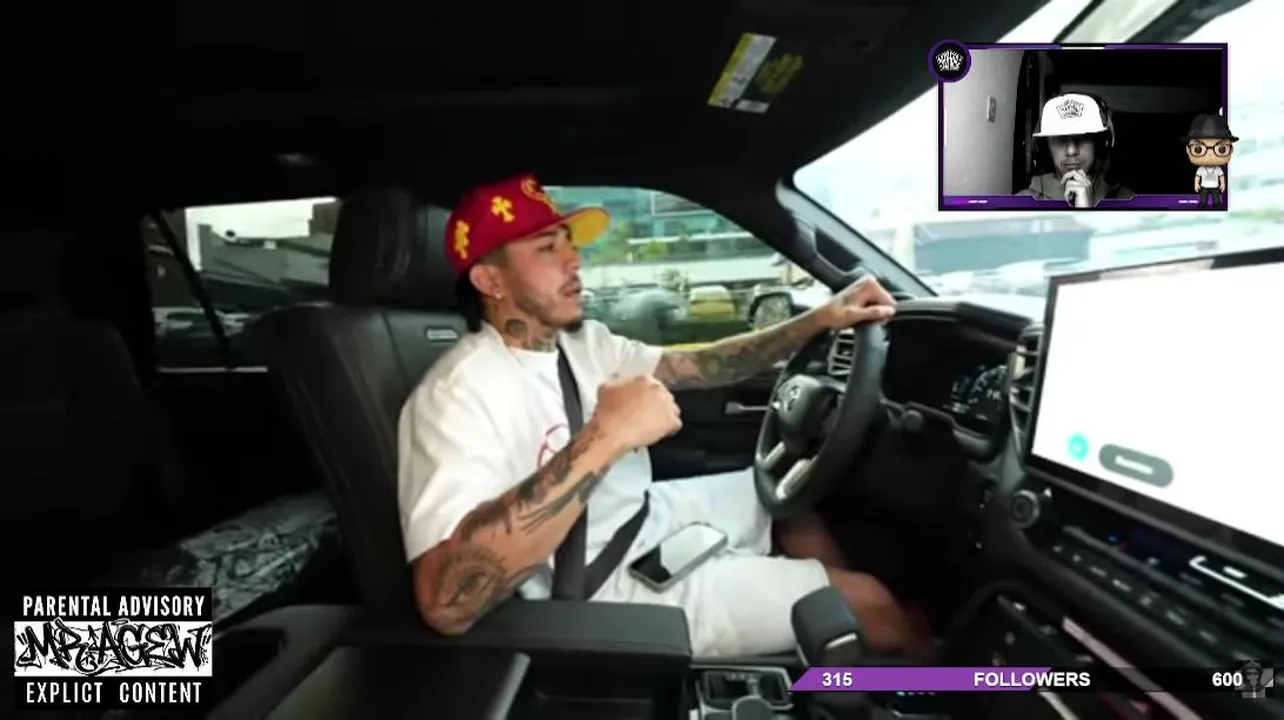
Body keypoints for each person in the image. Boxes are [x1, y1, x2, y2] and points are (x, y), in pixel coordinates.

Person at [397, 172, 933, 659]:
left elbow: (701, 365)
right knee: (873, 603)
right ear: (491, 282)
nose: (574, 260)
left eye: (569, 243)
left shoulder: (580, 344)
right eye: (547, 248)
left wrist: (819, 320)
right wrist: (605, 437)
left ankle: (834, 645)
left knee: (788, 498)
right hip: (596, 585)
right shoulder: (458, 394)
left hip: (643, 518)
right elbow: (445, 602)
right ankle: (934, 679)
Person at [1017, 93, 1135, 207]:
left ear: (1099, 144)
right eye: (1060, 139)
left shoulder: (1128, 201)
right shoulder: (1022, 203)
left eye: (1082, 137)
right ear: (1046, 148)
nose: (1071, 151)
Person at [1183, 113, 1237, 208]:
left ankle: (1216, 203)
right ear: (1188, 150)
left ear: (1231, 150)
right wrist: (1196, 184)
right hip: (1204, 186)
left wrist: (1223, 184)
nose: (1210, 154)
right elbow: (1197, 177)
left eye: (1221, 149)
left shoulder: (1218, 169)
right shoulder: (1201, 169)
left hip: (1215, 186)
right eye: (1198, 149)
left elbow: (1221, 176)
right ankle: (1203, 203)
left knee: (1216, 198)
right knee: (1203, 198)